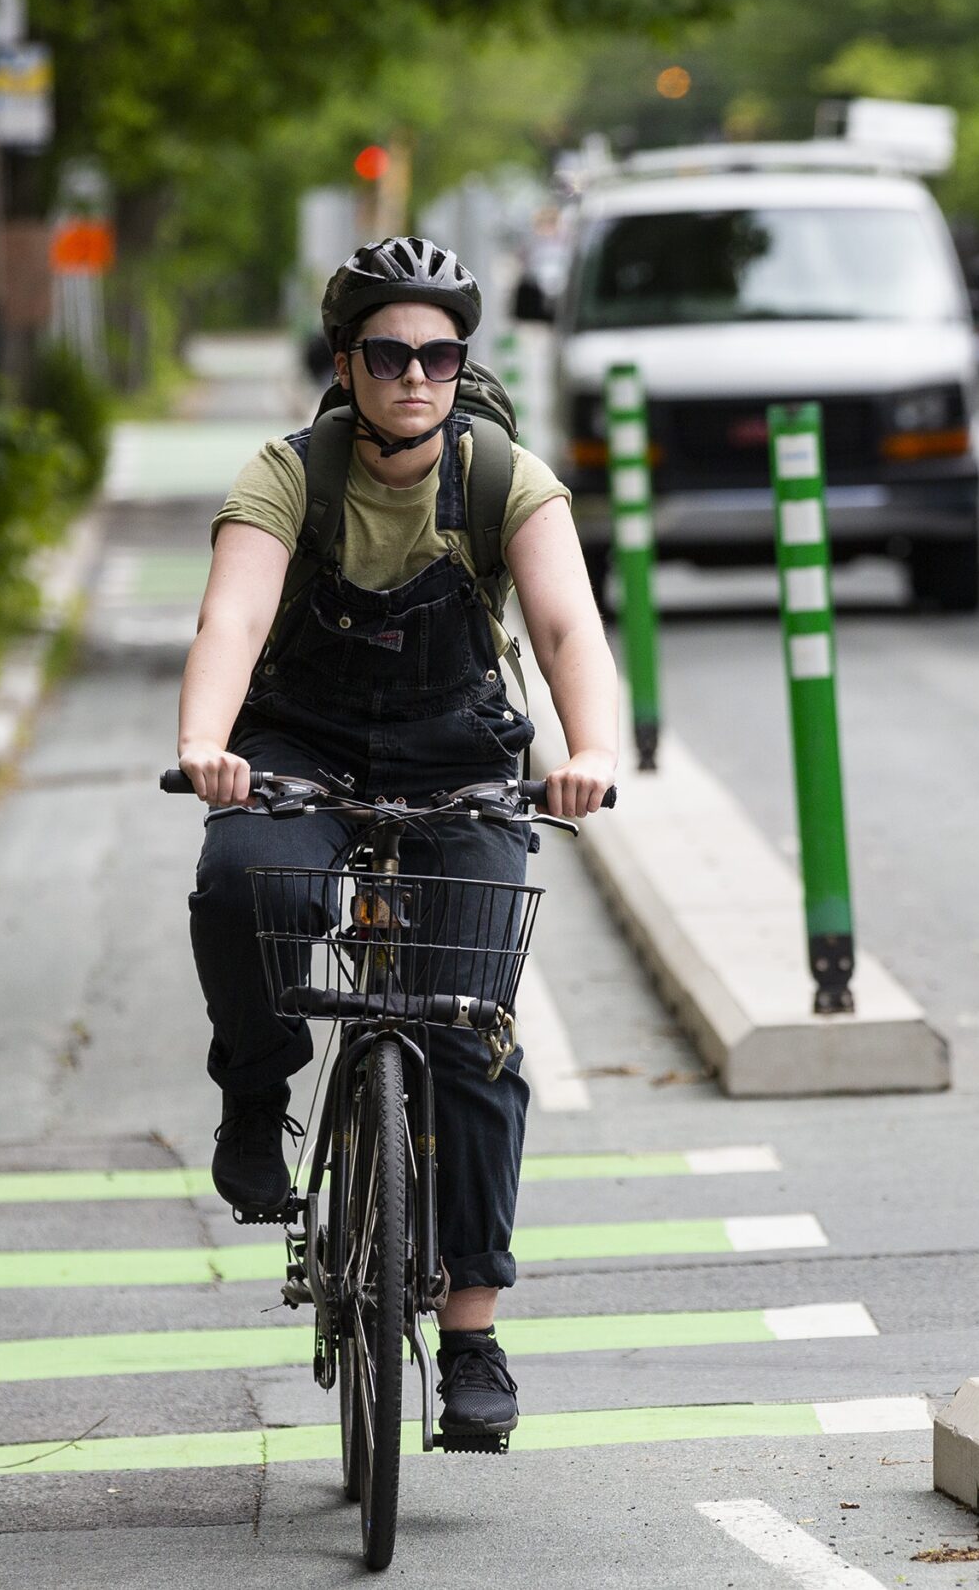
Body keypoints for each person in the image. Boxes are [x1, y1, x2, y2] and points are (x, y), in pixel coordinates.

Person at [175, 237, 619, 1443]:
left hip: (457, 752)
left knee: (471, 1032)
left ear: (462, 364)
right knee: (244, 882)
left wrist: (587, 751)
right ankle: (255, 1092)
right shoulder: (289, 474)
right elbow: (234, 617)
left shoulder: (502, 477)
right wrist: (207, 742)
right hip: (302, 742)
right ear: (346, 365)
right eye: (388, 354)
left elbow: (567, 627)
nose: (416, 376)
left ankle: (471, 1333)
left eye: (439, 355)